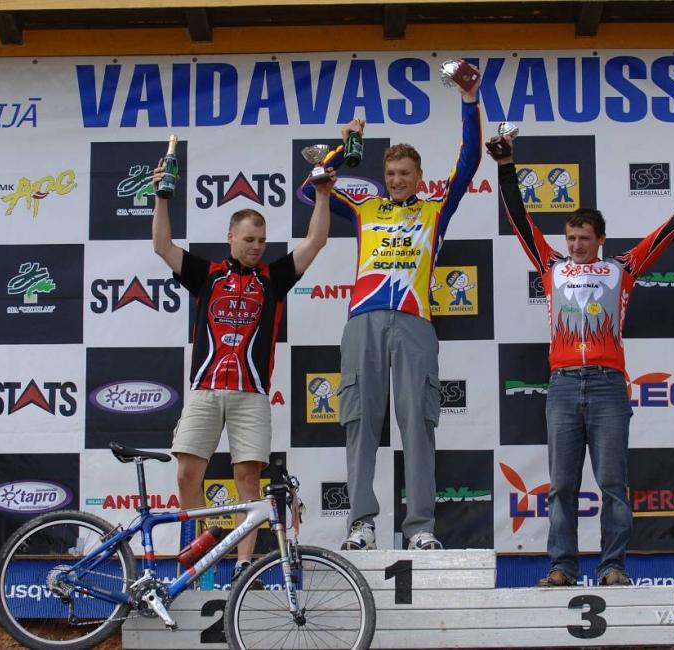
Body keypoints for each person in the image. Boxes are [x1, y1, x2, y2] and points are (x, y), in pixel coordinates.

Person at [487, 134, 674, 586]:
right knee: (561, 486)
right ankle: (561, 567)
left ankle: (613, 566)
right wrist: (506, 166)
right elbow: (519, 218)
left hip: (607, 385)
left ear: (600, 240)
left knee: (613, 484)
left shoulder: (622, 268)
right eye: (571, 238)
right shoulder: (551, 266)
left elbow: (666, 231)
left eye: (584, 238)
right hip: (561, 385)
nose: (576, 245)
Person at [300, 69, 483, 551]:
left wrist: (469, 100)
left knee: (417, 424)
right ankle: (361, 524)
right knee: (360, 422)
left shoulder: (435, 209)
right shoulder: (365, 210)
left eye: (405, 173)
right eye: (390, 174)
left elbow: (469, 162)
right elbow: (310, 188)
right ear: (383, 178)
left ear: (419, 177)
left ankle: (420, 527)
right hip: (363, 321)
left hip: (415, 322)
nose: (397, 180)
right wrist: (345, 145)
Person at [152, 163, 336, 578]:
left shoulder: (274, 277)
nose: (256, 247)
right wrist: (161, 197)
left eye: (262, 240)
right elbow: (162, 245)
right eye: (249, 239)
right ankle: (203, 550)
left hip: (251, 393)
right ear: (231, 237)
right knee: (187, 474)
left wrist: (323, 196)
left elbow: (316, 240)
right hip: (205, 388)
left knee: (247, 479)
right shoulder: (207, 274)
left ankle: (242, 564)